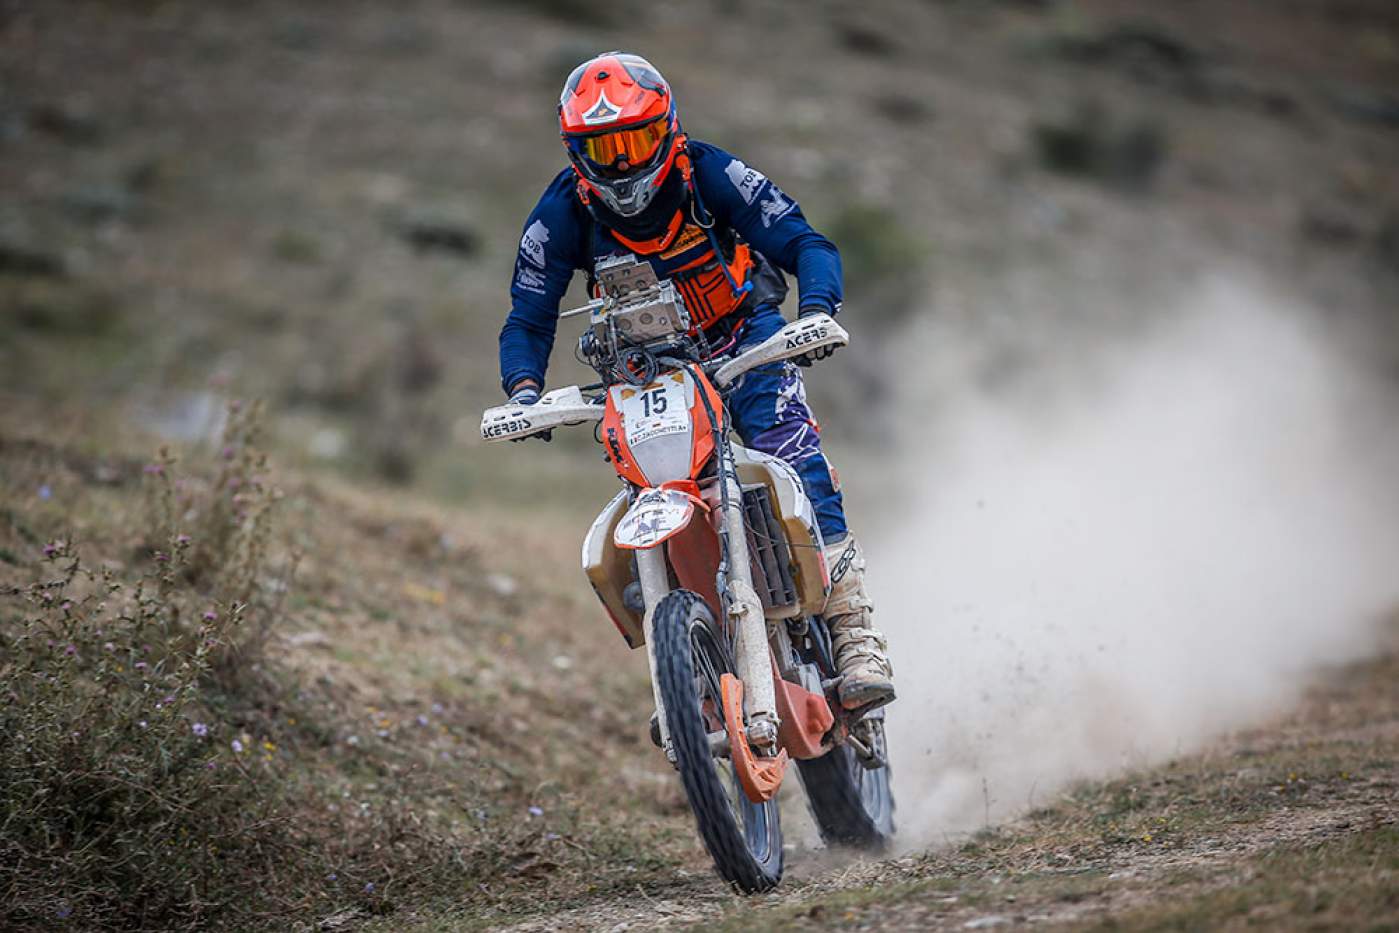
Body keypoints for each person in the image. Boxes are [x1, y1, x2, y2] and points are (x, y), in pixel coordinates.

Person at [498, 52, 893, 710]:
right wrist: (522, 391)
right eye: (602, 149)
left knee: (796, 456)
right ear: (575, 151)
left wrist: (817, 311)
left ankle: (854, 634)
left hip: (743, 339)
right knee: (645, 484)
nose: (622, 165)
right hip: (644, 372)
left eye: (634, 142)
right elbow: (528, 317)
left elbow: (804, 243)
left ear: (667, 130)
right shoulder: (559, 213)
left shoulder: (710, 172)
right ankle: (686, 677)